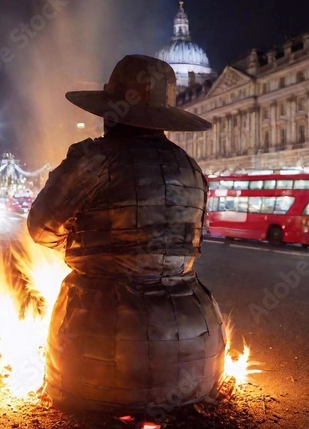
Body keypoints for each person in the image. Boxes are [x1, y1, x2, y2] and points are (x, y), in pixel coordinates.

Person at [27, 55, 225, 413]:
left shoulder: (92, 158)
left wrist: (84, 243)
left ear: (111, 111)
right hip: (194, 351)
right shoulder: (191, 169)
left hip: (98, 346)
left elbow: (41, 229)